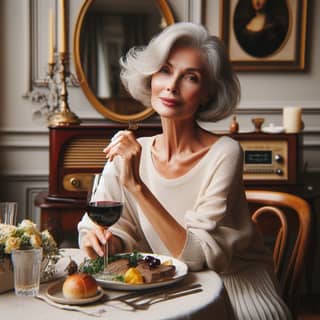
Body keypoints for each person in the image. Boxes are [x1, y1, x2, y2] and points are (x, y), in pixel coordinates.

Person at [78, 22, 291, 319]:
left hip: (233, 283)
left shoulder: (225, 152)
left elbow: (197, 258)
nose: (172, 85)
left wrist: (137, 186)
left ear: (207, 93)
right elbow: (105, 227)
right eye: (165, 70)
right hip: (159, 280)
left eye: (190, 77)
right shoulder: (130, 149)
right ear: (151, 76)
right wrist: (103, 241)